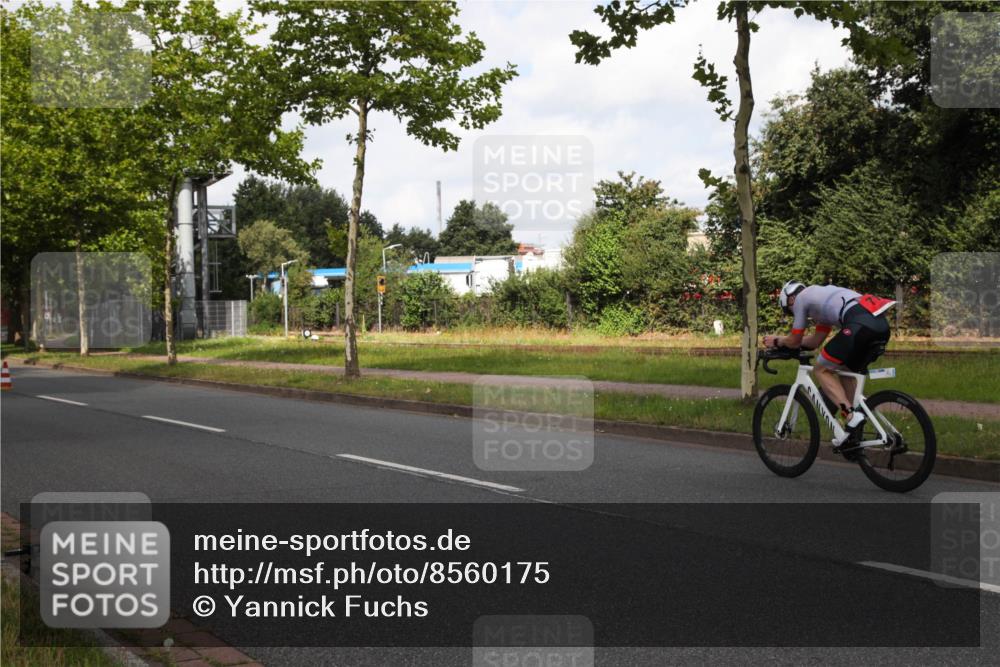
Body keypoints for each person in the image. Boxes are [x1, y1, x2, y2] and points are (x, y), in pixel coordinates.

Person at [763, 281, 895, 446]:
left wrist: (777, 340)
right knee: (846, 370)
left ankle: (851, 416)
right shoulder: (822, 302)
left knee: (821, 370)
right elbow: (814, 341)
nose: (795, 313)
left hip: (859, 324)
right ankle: (854, 433)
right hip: (880, 326)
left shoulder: (800, 299)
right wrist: (788, 342)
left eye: (790, 311)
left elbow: (795, 340)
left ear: (790, 299)